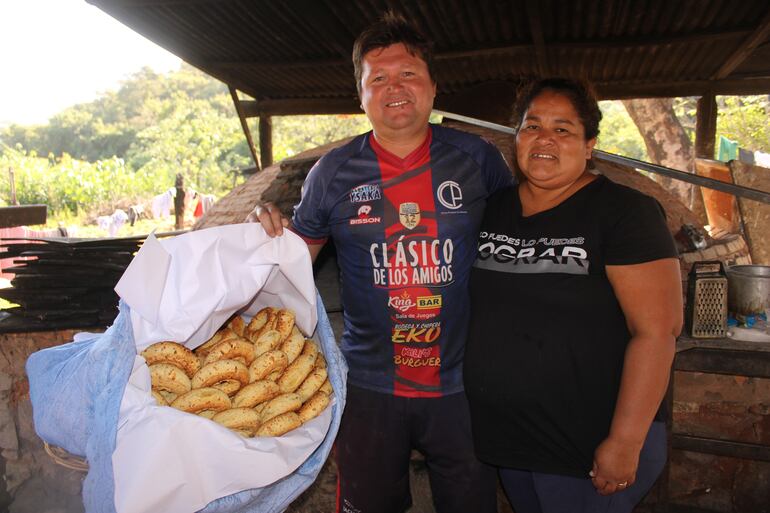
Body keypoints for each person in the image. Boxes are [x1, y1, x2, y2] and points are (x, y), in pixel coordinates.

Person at [251, 12, 514, 513]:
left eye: (409, 74)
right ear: (361, 96)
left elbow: (515, 242)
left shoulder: (477, 160)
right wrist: (261, 236)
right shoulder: (332, 172)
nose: (396, 88)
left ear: (434, 86)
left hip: (461, 387)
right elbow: (289, 266)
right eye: (379, 79)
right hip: (370, 387)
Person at [463, 78, 683, 513]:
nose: (545, 139)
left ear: (590, 145)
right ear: (516, 138)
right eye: (532, 126)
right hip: (512, 442)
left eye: (563, 129)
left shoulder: (624, 213)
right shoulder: (492, 208)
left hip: (588, 445)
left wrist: (624, 441)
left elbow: (657, 333)